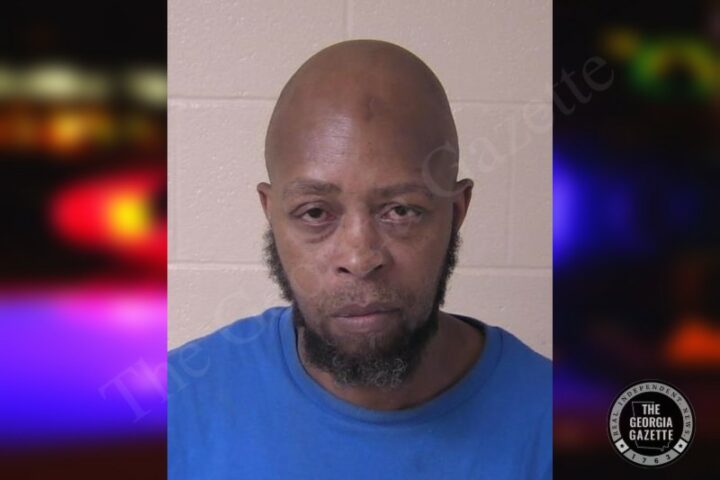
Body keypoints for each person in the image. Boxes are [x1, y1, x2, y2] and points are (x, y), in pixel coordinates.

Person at [168, 39, 551, 479]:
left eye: (401, 211)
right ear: (271, 215)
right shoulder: (172, 409)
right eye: (315, 213)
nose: (359, 258)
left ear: (455, 212)